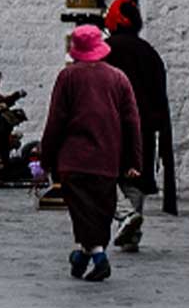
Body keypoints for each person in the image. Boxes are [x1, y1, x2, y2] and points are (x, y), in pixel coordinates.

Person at [38, 25, 142, 282]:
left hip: (74, 159)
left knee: (82, 211)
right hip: (108, 158)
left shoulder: (68, 77)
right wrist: (133, 160)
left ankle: (96, 256)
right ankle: (82, 256)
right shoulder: (119, 78)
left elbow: (56, 121)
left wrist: (47, 158)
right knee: (99, 211)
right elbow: (131, 122)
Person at [102, 0, 174, 248]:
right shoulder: (148, 52)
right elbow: (158, 93)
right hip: (143, 125)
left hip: (111, 124)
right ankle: (132, 231)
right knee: (135, 176)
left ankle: (126, 216)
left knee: (104, 173)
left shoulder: (106, 50)